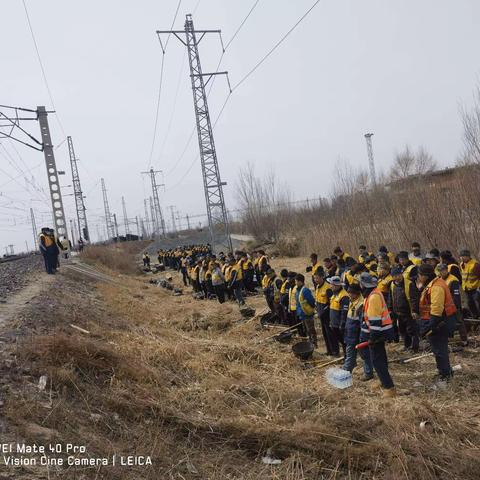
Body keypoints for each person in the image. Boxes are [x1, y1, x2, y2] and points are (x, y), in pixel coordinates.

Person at [418, 264, 456, 383]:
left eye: (420, 275)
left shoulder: (437, 287)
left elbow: (436, 309)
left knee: (440, 350)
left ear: (426, 276)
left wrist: (430, 326)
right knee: (438, 349)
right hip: (437, 321)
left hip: (440, 322)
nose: (419, 277)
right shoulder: (432, 284)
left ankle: (445, 375)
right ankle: (444, 371)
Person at [359, 272, 396, 397]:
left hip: (377, 334)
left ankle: (389, 388)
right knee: (381, 359)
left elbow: (375, 321)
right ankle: (383, 380)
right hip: (377, 333)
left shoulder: (374, 297)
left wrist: (373, 338)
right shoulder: (371, 294)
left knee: (377, 360)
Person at [389, 265, 420, 352]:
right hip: (398, 313)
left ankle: (415, 348)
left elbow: (414, 298)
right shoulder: (392, 284)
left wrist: (414, 311)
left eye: (398, 275)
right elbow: (391, 298)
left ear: (401, 274)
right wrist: (390, 309)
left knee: (412, 330)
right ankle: (407, 345)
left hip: (408, 312)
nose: (397, 277)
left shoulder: (409, 284)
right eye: (394, 276)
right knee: (402, 330)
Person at [438, 263, 468, 346]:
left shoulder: (453, 280)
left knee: (459, 322)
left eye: (443, 270)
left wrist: (455, 306)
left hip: (453, 305)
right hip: (444, 305)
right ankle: (449, 340)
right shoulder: (440, 279)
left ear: (447, 270)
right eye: (440, 271)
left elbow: (456, 295)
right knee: (447, 323)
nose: (442, 272)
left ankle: (464, 340)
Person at [343, 283, 364, 373]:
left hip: (356, 334)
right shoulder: (352, 301)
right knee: (352, 353)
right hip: (350, 332)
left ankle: (346, 370)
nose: (349, 295)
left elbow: (362, 323)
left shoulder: (360, 305)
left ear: (356, 293)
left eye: (350, 293)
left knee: (352, 353)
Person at [327, 276, 349, 356]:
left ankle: (347, 358)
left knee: (344, 342)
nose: (330, 286)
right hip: (334, 324)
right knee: (340, 341)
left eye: (332, 284)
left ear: (337, 285)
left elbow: (344, 313)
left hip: (340, 325)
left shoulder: (344, 296)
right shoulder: (335, 294)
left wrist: (342, 325)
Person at [314, 269, 334, 355]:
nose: (316, 280)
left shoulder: (328, 287)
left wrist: (323, 312)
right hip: (321, 315)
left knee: (330, 333)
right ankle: (329, 351)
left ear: (322, 277)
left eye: (317, 278)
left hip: (327, 315)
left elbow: (330, 303)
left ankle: (334, 351)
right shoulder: (318, 287)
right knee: (325, 333)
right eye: (314, 278)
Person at [295, 274, 317, 347]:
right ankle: (310, 343)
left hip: (307, 314)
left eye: (296, 281)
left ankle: (314, 344)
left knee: (311, 330)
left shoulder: (305, 290)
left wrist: (311, 309)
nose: (295, 282)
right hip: (302, 314)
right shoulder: (298, 290)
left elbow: (311, 301)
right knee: (306, 330)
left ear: (300, 282)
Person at [459, 249, 480, 319]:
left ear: (468, 256)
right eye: (461, 256)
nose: (462, 258)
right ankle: (475, 316)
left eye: (463, 256)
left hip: (475, 288)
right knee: (469, 303)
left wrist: (478, 289)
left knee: (477, 301)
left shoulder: (475, 265)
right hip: (467, 288)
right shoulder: (462, 264)